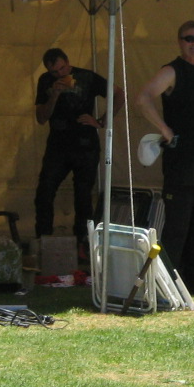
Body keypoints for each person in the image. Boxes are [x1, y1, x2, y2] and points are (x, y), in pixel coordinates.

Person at [137, 21, 194, 297]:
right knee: (178, 224)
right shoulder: (172, 70)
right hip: (181, 157)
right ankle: (167, 285)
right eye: (189, 39)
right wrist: (164, 129)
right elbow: (143, 98)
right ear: (180, 41)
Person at [33, 48, 124, 258]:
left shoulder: (87, 76)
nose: (60, 73)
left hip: (85, 145)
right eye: (55, 71)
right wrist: (54, 94)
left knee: (83, 196)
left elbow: (119, 94)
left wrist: (101, 121)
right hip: (58, 145)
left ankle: (82, 244)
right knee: (45, 191)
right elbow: (41, 117)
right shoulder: (45, 81)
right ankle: (43, 240)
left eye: (63, 68)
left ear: (68, 62)